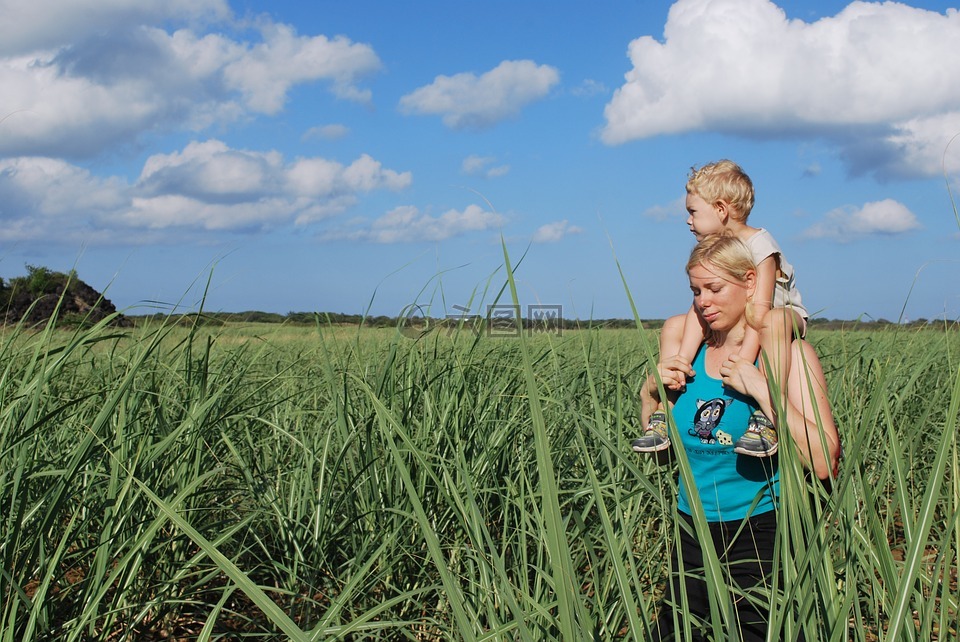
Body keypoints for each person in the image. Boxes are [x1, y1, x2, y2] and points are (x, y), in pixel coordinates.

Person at [640, 234, 841, 641]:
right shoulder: (688, 355)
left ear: (751, 283)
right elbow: (660, 452)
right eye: (695, 291)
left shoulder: (789, 355)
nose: (703, 301)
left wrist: (763, 391)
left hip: (764, 538)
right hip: (692, 532)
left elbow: (825, 462)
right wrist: (649, 393)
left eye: (715, 288)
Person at [633, 160, 807, 457]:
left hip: (781, 315)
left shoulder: (760, 246)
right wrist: (681, 361)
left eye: (693, 212)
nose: (688, 221)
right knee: (676, 324)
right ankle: (664, 409)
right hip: (749, 318)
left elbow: (761, 308)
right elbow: (697, 308)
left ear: (721, 209)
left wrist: (742, 361)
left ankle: (766, 417)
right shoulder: (717, 247)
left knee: (774, 324)